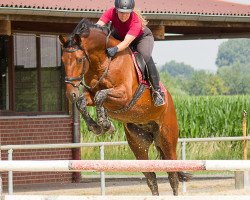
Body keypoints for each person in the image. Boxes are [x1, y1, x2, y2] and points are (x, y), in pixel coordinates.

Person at [96, 0, 165, 106]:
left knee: (144, 55)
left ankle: (157, 91)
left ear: (131, 11)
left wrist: (114, 49)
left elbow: (126, 43)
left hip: (141, 38)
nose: (123, 16)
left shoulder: (136, 22)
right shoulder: (111, 12)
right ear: (116, 10)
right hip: (121, 35)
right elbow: (98, 25)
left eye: (127, 13)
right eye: (121, 12)